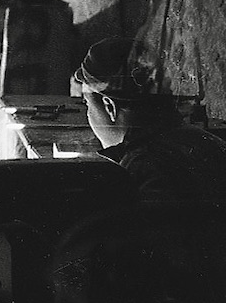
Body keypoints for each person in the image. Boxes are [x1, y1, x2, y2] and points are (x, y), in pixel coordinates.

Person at [75, 37, 226, 203]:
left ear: (109, 107)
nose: (88, 115)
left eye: (87, 104)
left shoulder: (141, 168)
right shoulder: (201, 138)